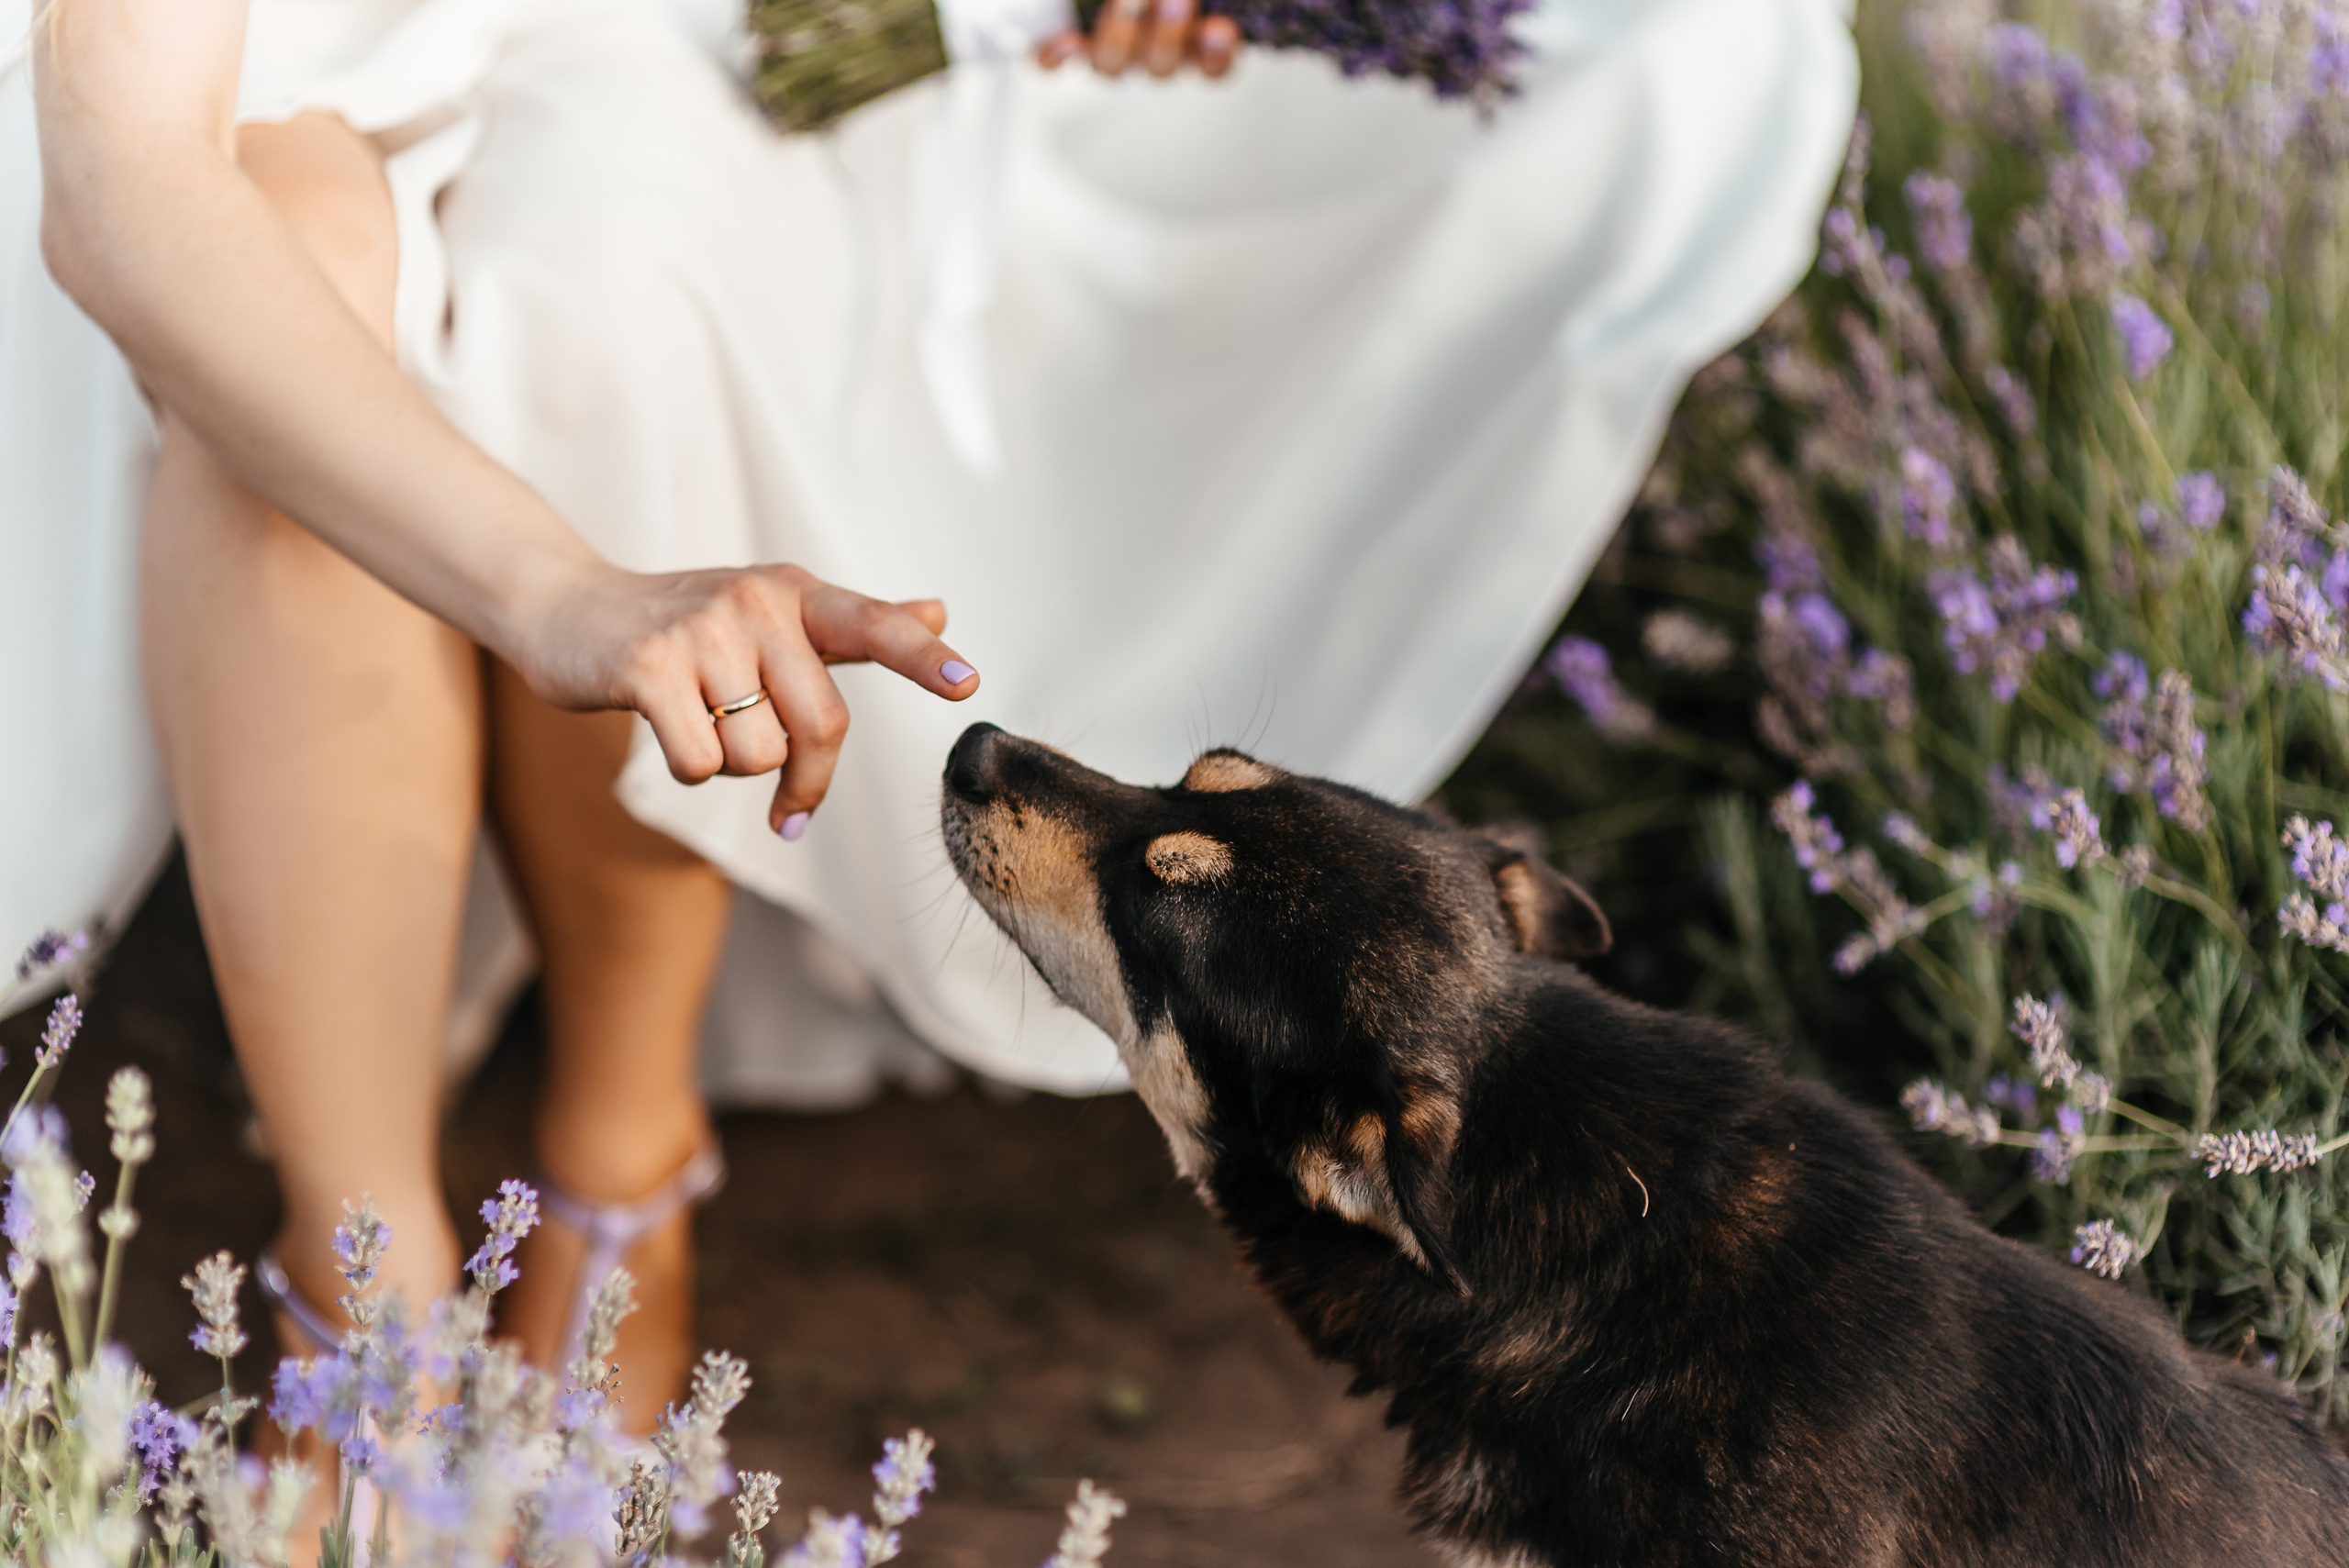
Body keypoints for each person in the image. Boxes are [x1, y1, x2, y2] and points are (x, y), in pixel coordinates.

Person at [3, 0, 1856, 1431]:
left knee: (1685, 51)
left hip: (662, 45)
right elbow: (122, 186)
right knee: (301, 277)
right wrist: (566, 597)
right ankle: (372, 1287)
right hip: (228, 87)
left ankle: (618, 1138)